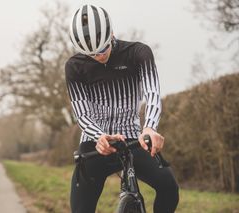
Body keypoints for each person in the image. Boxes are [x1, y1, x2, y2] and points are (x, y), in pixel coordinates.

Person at [65, 4, 179, 213]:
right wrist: (100, 136)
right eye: (92, 54)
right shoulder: (74, 66)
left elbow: (152, 92)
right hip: (96, 142)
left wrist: (150, 127)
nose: (99, 56)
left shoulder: (138, 52)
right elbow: (81, 112)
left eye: (103, 49)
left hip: (133, 139)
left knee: (169, 187)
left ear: (112, 33)